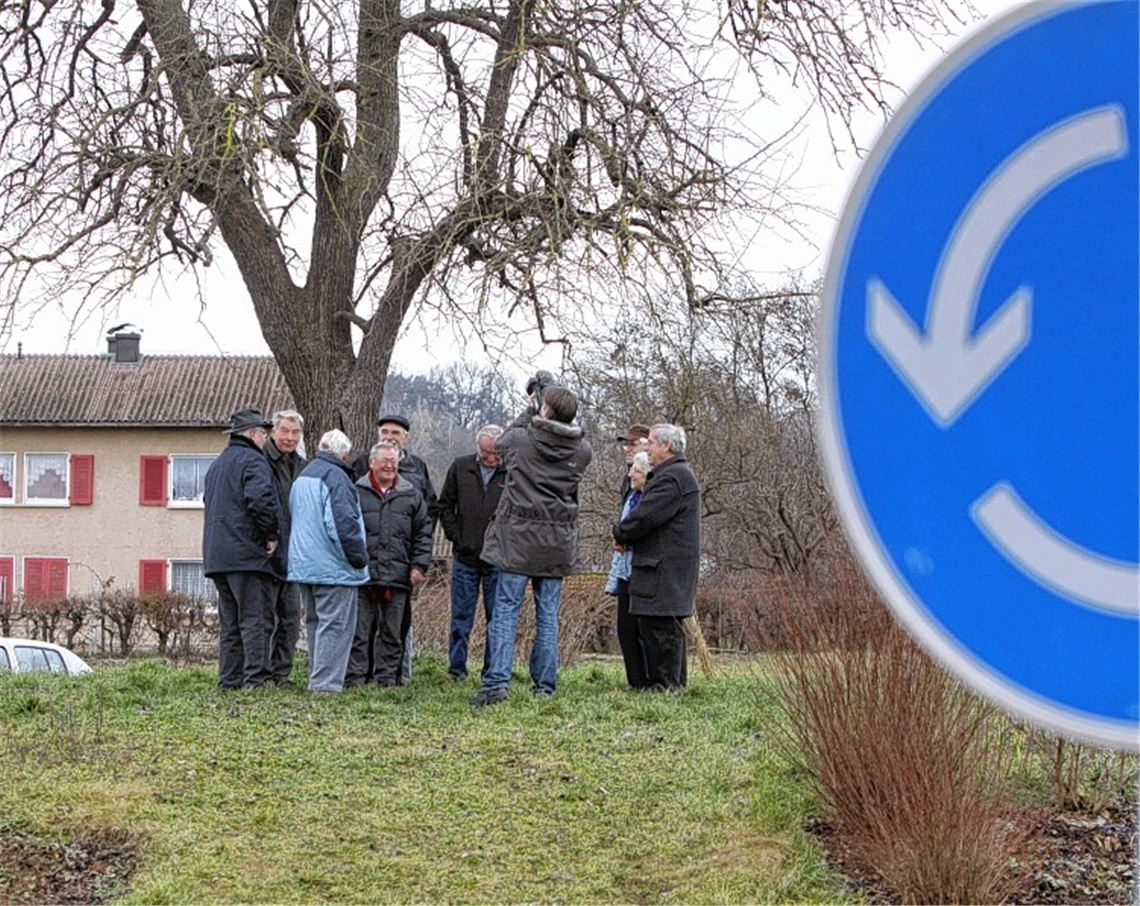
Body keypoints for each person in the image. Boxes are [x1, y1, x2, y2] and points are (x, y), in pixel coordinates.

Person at [471, 381, 592, 707]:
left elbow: (502, 441)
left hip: (517, 540)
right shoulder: (582, 450)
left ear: (544, 408)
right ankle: (544, 687)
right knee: (548, 616)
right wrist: (544, 408)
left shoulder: (523, 439)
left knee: (506, 612)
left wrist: (530, 408)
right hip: (556, 542)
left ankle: (496, 684)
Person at [202, 407, 286, 690]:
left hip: (218, 556)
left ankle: (230, 679)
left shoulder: (218, 464)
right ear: (253, 434)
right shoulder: (253, 460)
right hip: (247, 554)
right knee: (256, 620)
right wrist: (271, 534)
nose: (266, 438)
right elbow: (261, 501)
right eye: (264, 433)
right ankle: (256, 679)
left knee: (231, 623)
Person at [612, 424, 700, 690]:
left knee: (662, 631)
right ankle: (664, 687)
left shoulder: (671, 478)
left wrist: (621, 533)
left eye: (650, 442)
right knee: (658, 629)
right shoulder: (672, 475)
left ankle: (666, 688)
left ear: (666, 446)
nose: (646, 446)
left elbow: (645, 517)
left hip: (664, 570)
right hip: (663, 569)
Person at [353, 412, 437, 684]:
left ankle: (387, 678)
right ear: (371, 463)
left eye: (393, 462)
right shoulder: (357, 489)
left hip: (399, 572)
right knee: (360, 629)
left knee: (393, 630)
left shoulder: (412, 491)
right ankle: (356, 677)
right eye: (383, 462)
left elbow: (424, 530)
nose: (389, 466)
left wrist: (419, 564)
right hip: (363, 571)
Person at [287, 429, 369, 694]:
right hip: (332, 567)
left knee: (315, 623)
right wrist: (358, 559)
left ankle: (317, 677)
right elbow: (342, 525)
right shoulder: (337, 478)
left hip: (304, 564)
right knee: (335, 625)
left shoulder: (304, 475)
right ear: (344, 453)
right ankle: (326, 685)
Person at [437, 424, 507, 681]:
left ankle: (492, 670)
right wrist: (457, 537)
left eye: (496, 454)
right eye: (486, 452)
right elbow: (444, 506)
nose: (491, 459)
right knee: (461, 617)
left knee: (496, 619)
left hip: (497, 559)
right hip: (465, 557)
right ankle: (457, 669)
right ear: (478, 448)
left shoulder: (511, 471)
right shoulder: (460, 467)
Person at [263, 409, 306, 686]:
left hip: (295, 554)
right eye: (285, 431)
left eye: (295, 433)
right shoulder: (259, 461)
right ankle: (262, 673)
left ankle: (282, 673)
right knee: (267, 619)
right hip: (267, 553)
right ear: (273, 432)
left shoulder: (302, 465)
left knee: (290, 618)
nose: (289, 438)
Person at [605, 451, 652, 689]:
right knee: (626, 628)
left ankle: (647, 680)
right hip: (624, 569)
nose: (630, 474)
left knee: (643, 629)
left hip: (643, 570)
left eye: (636, 470)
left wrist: (623, 536)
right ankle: (634, 680)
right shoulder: (631, 495)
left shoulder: (651, 499)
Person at [616, 423, 650, 501]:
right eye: (626, 445)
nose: (628, 449)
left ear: (646, 446)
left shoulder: (654, 476)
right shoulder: (628, 478)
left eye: (633, 444)